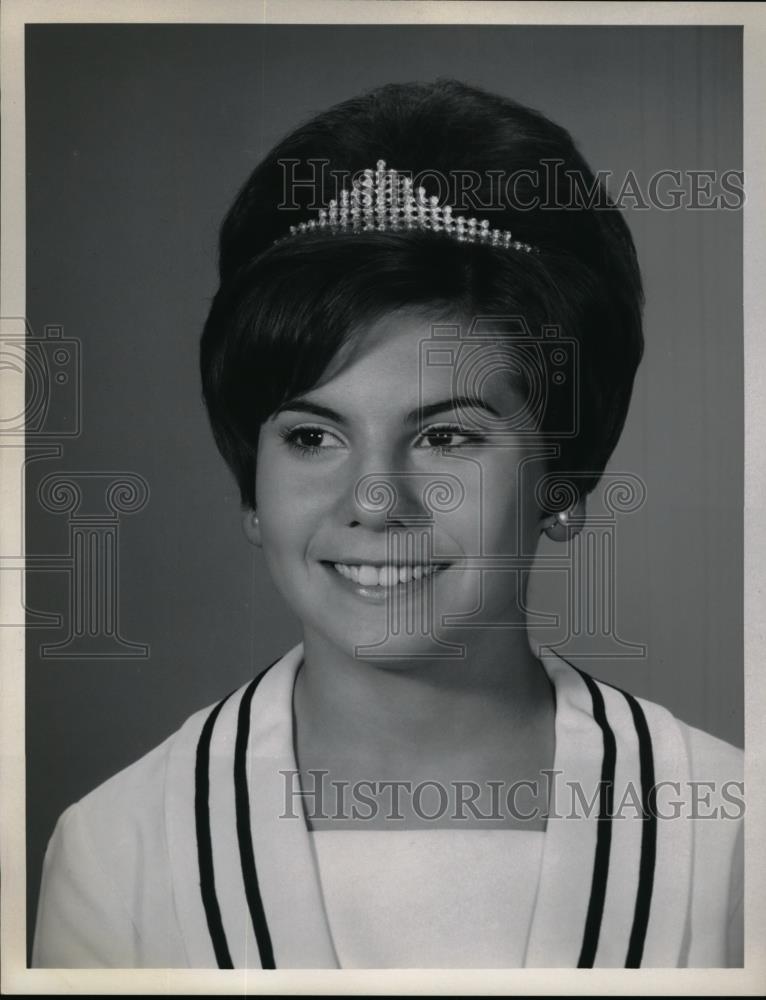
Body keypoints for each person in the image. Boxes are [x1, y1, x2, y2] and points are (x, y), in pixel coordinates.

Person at [32, 78, 743, 969]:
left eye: (446, 435)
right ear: (253, 490)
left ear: (559, 481)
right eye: (312, 435)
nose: (374, 501)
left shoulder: (730, 841)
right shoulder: (119, 850)